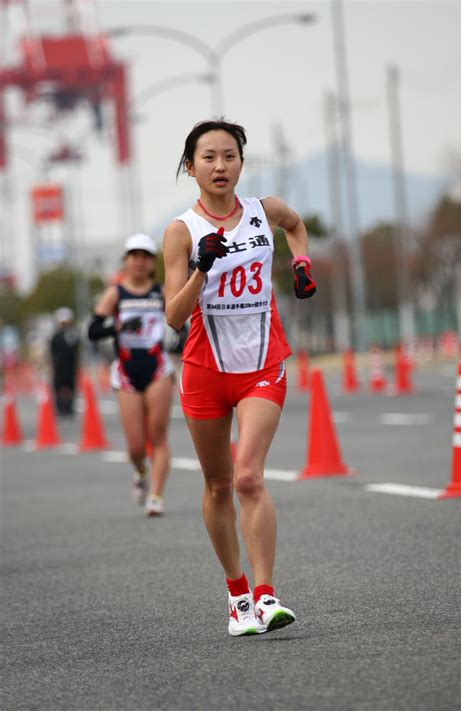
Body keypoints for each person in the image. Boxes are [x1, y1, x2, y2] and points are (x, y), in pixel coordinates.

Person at [163, 119, 316, 636]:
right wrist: (201, 270)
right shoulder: (181, 232)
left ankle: (267, 594)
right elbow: (173, 315)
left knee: (248, 475)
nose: (220, 166)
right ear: (190, 167)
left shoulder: (264, 212)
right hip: (205, 370)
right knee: (218, 484)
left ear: (241, 163)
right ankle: (237, 594)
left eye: (229, 156)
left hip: (262, 367)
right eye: (208, 157)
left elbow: (296, 225)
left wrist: (301, 262)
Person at [88, 233, 174, 517]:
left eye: (146, 256)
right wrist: (119, 328)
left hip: (157, 367)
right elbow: (93, 330)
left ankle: (156, 495)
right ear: (126, 260)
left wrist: (181, 339)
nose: (139, 261)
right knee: (136, 445)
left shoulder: (160, 291)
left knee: (158, 435)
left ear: (152, 263)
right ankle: (140, 471)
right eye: (134, 256)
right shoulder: (116, 292)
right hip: (126, 371)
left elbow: (181, 321)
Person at [50, 307, 80, 417]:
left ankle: (69, 408)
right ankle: (60, 408)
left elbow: (77, 350)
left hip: (71, 366)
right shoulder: (56, 336)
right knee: (59, 387)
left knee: (71, 387)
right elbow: (52, 351)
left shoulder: (73, 335)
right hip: (59, 367)